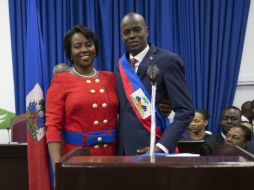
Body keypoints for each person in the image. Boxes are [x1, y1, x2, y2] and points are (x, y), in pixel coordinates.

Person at [116, 12, 194, 155]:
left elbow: (185, 111)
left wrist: (161, 147)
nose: (132, 35)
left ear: (147, 31)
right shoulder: (120, 66)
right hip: (123, 152)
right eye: (126, 32)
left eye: (137, 30)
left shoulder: (167, 60)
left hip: (154, 148)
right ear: (122, 36)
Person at [45, 25, 119, 173]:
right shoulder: (61, 80)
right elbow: (53, 127)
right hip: (76, 160)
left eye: (89, 44)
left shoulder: (110, 78)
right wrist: (56, 167)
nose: (84, 49)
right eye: (77, 46)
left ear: (95, 48)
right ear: (70, 53)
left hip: (112, 158)